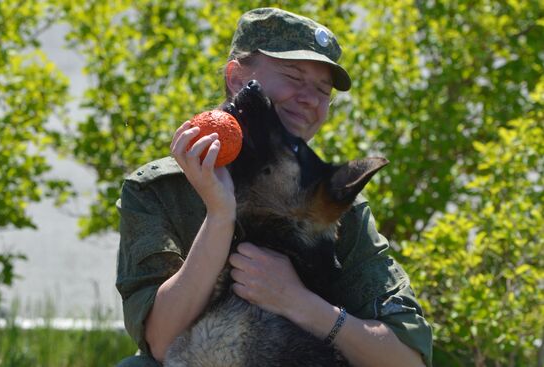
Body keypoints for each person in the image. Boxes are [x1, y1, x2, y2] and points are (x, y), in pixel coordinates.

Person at [116, 7, 432, 367]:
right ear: (237, 78)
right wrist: (220, 216)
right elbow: (161, 342)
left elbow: (407, 359)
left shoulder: (333, 203)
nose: (310, 99)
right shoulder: (159, 189)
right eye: (293, 77)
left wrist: (299, 303)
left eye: (322, 90)